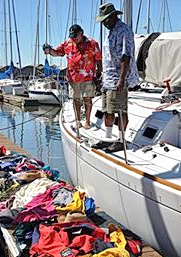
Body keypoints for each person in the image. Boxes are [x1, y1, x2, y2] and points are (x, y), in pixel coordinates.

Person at [93, 3, 139, 152]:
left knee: (120, 110)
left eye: (106, 19)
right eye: (103, 20)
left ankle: (120, 140)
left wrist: (121, 79)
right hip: (108, 78)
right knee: (107, 110)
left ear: (114, 16)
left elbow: (126, 56)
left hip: (118, 78)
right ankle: (108, 138)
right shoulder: (111, 31)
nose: (104, 23)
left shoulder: (124, 30)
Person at [43, 24, 102, 129]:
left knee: (87, 99)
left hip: (88, 77)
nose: (74, 38)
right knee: (76, 99)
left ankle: (87, 121)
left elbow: (98, 59)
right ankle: (78, 120)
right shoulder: (67, 43)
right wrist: (49, 50)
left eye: (75, 36)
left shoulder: (92, 43)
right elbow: (57, 53)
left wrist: (99, 73)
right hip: (73, 77)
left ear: (81, 33)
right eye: (72, 37)